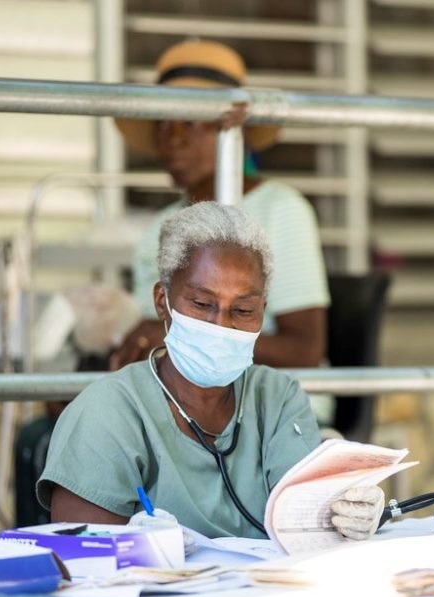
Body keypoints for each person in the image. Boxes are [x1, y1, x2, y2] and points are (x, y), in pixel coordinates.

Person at [36, 202, 382, 540]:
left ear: (263, 309)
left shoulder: (278, 400)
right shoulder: (106, 415)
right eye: (202, 304)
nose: (222, 325)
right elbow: (85, 563)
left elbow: (308, 526)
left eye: (243, 310)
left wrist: (342, 506)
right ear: (163, 302)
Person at [111, 40, 330, 371]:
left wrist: (177, 335)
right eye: (164, 123)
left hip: (270, 406)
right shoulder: (161, 226)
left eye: (191, 120)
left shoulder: (280, 209)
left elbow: (303, 351)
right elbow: (147, 331)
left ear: (233, 129)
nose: (174, 137)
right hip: (175, 402)